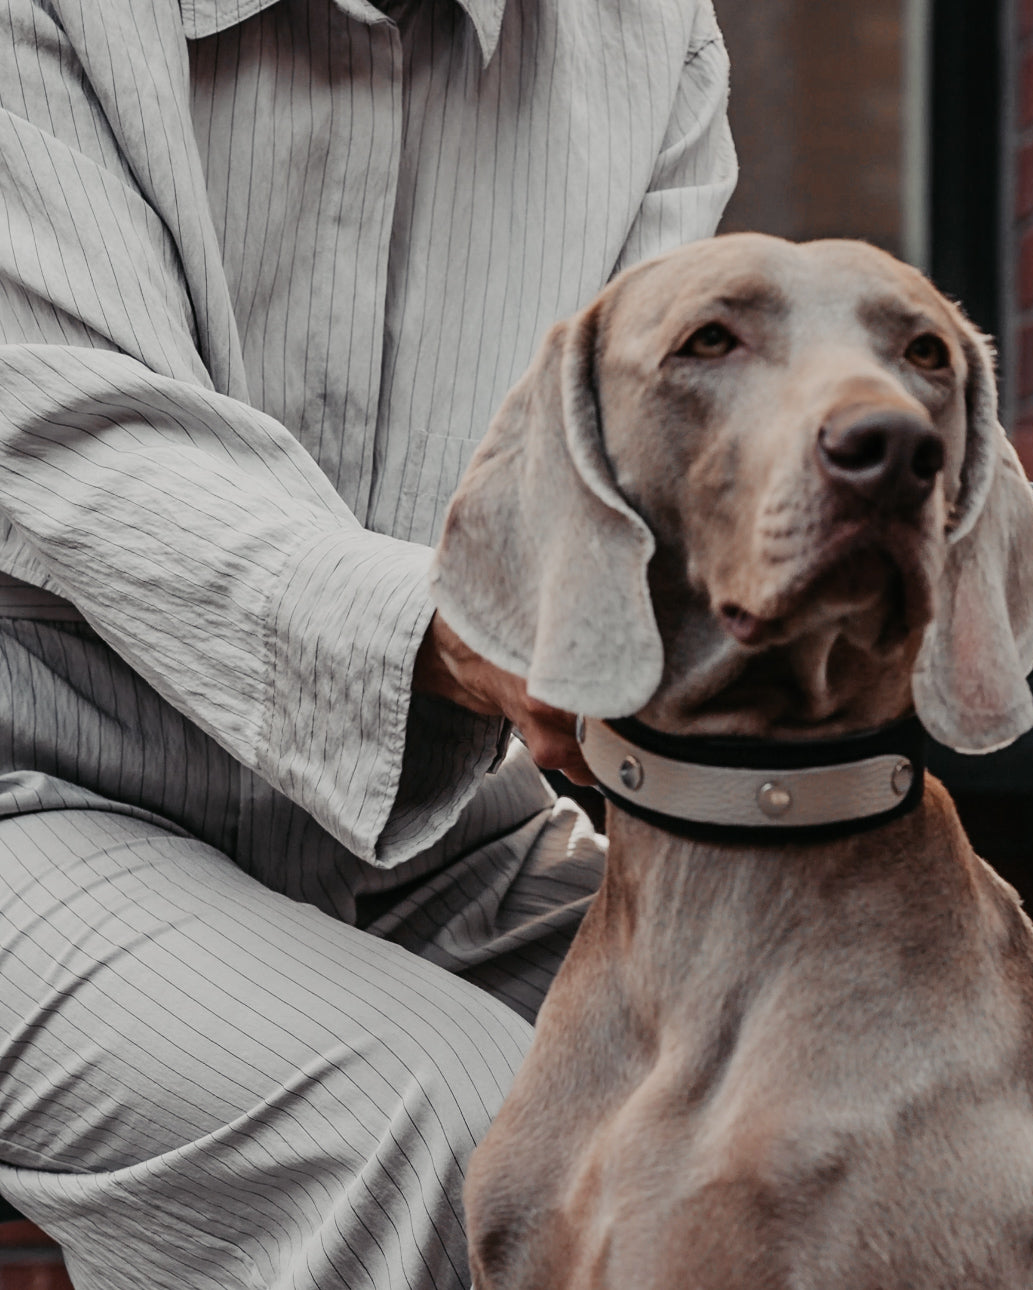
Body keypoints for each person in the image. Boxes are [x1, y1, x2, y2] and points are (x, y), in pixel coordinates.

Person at [0, 0, 736, 1282]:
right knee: (451, 1128)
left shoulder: (651, 32)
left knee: (868, 1089)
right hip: (35, 802)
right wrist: (452, 634)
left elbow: (652, 473)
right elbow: (85, 439)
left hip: (441, 842)